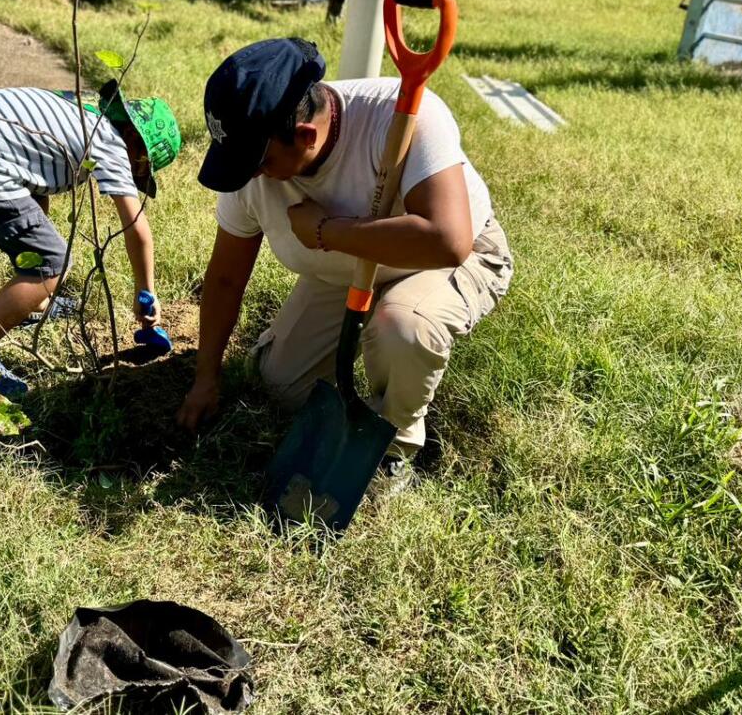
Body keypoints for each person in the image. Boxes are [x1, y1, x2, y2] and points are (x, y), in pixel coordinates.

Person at [175, 38, 512, 491]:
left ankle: (393, 445)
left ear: (306, 137)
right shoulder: (252, 164)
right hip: (349, 270)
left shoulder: (402, 116)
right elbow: (225, 278)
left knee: (402, 327)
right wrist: (206, 377)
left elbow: (447, 240)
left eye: (260, 162)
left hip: (443, 260)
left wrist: (326, 231)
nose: (250, 175)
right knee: (282, 385)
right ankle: (357, 388)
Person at [0, 82, 181, 397]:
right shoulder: (111, 142)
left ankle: (36, 303)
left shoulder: (79, 109)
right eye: (141, 167)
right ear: (135, 145)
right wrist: (145, 291)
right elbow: (136, 227)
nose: (134, 173)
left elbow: (1, 132)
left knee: (36, 207)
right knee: (52, 262)